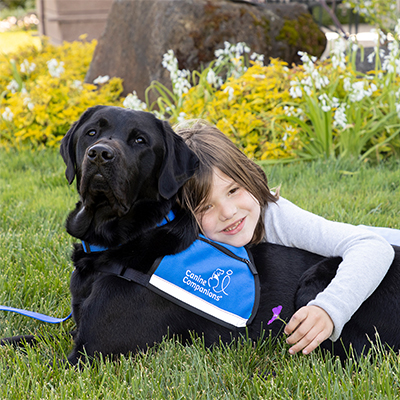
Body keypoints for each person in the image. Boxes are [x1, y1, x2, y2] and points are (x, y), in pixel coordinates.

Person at [175, 120, 396, 356]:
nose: (228, 212)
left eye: (233, 190)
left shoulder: (275, 216)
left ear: (248, 178)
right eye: (206, 206)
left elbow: (373, 247)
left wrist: (329, 309)